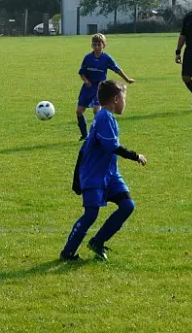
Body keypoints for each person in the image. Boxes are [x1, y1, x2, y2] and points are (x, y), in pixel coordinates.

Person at [61, 80, 147, 262]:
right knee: (91, 214)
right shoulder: (104, 117)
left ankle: (98, 241)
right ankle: (67, 252)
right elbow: (111, 146)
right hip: (93, 174)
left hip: (110, 174)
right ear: (116, 99)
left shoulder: (107, 117)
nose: (125, 102)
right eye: (124, 98)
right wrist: (135, 156)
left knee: (127, 205)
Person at [76, 33, 134, 141]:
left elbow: (117, 69)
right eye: (95, 44)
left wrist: (127, 79)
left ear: (104, 46)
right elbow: (82, 73)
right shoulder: (87, 58)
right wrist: (86, 80)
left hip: (99, 88)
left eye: (99, 44)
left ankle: (99, 133)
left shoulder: (106, 58)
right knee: (79, 111)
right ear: (91, 45)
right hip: (87, 88)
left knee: (97, 111)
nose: (97, 47)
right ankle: (85, 135)